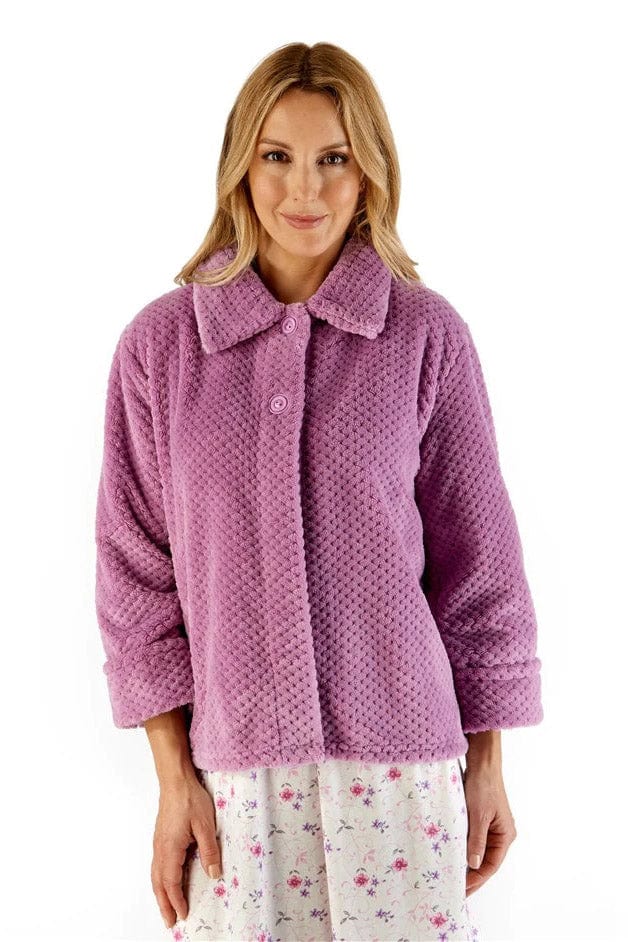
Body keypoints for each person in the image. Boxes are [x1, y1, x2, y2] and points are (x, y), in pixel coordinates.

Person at [94, 42, 543, 942]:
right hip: (235, 783)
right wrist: (173, 780)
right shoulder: (160, 350)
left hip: (403, 772)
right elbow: (135, 577)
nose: (306, 189)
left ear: (370, 171)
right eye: (278, 156)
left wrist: (489, 762)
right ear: (240, 166)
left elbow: (479, 569)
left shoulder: (426, 337)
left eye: (334, 157)